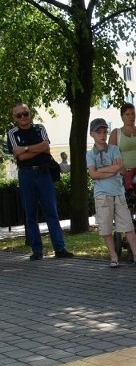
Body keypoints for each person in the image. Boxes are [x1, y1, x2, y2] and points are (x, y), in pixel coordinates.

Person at [6, 103, 74, 261]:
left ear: (30, 113)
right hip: (26, 175)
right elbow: (20, 157)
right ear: (14, 118)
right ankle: (37, 250)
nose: (23, 117)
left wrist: (25, 148)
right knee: (30, 213)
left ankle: (60, 248)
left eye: (26, 113)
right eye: (19, 115)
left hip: (44, 174)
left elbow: (46, 147)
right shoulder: (12, 133)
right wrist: (34, 149)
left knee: (51, 211)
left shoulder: (39, 128)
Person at [87, 118, 136, 267]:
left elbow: (119, 167)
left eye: (104, 132)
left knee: (127, 225)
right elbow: (93, 175)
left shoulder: (114, 149)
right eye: (99, 132)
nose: (102, 135)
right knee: (106, 227)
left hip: (118, 192)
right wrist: (109, 170)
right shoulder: (90, 154)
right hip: (102, 194)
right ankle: (113, 256)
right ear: (92, 134)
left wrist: (101, 170)